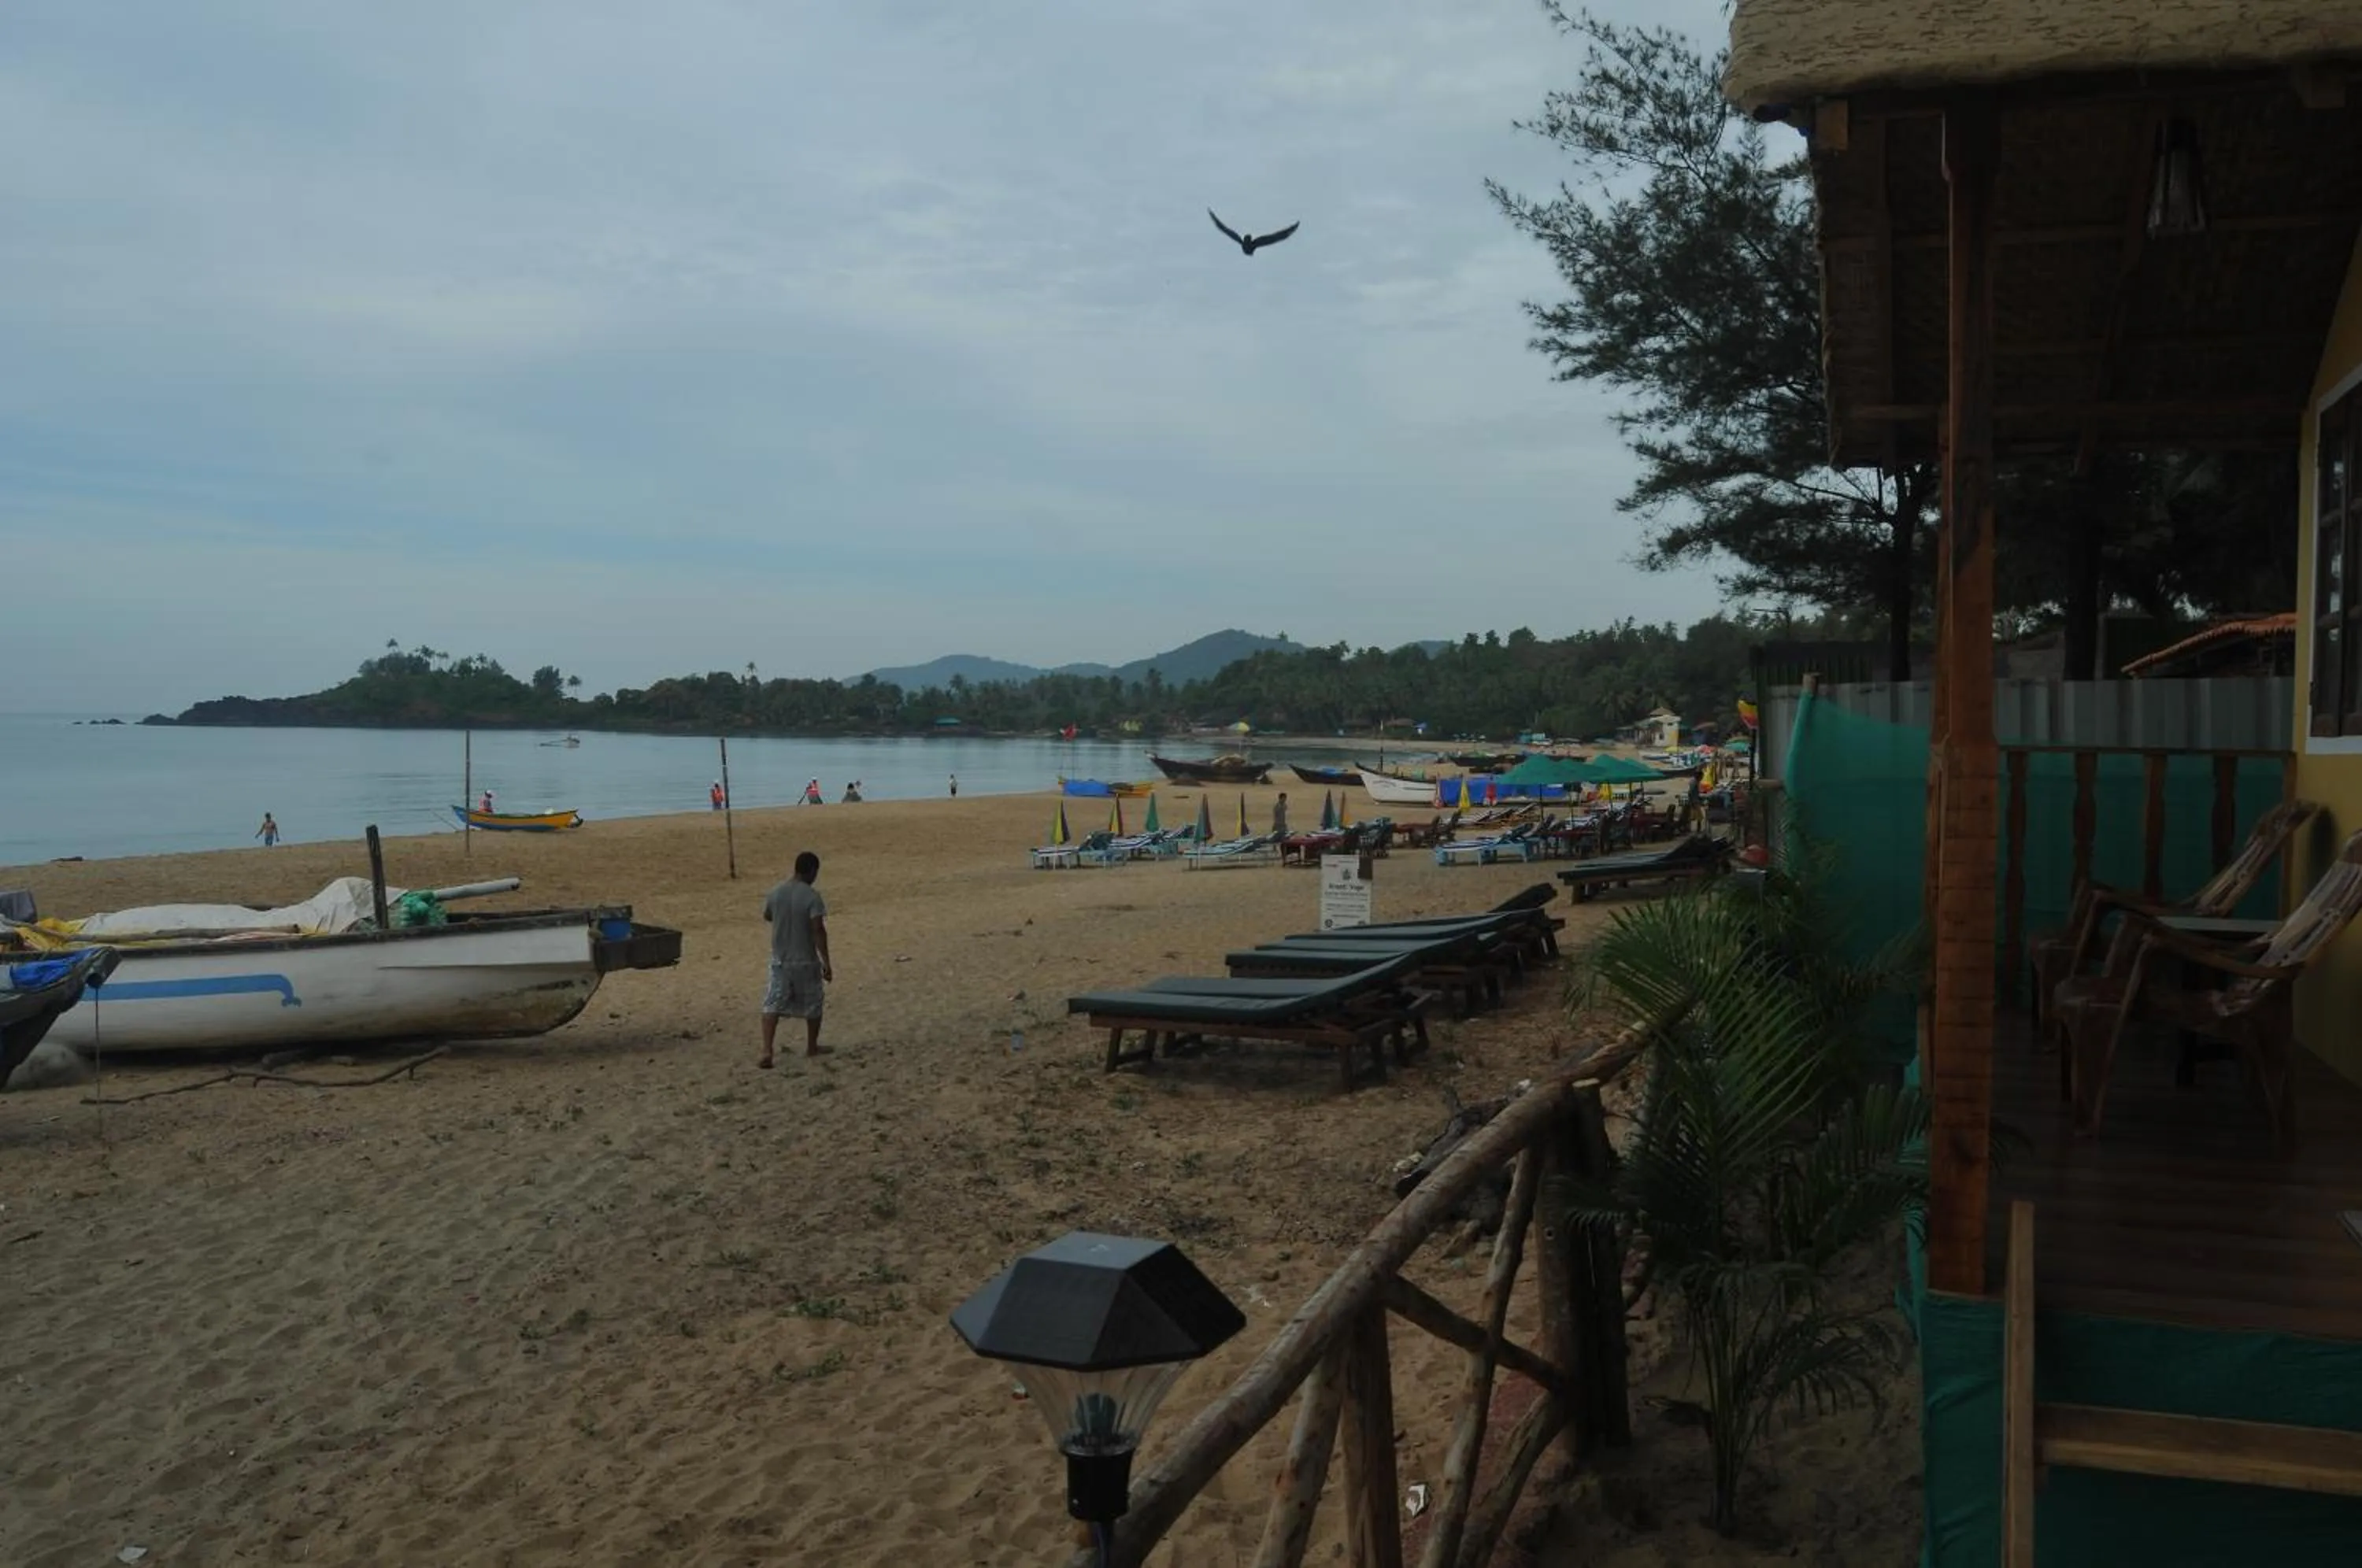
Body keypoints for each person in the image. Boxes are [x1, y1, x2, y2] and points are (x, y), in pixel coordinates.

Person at [758, 850, 832, 1067]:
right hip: (805, 959)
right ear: (811, 871)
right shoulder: (811, 896)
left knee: (773, 1003)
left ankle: (766, 1050)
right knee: (813, 1003)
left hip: (780, 959)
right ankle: (811, 1046)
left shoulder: (776, 892)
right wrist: (827, 961)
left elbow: (767, 915)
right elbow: (818, 929)